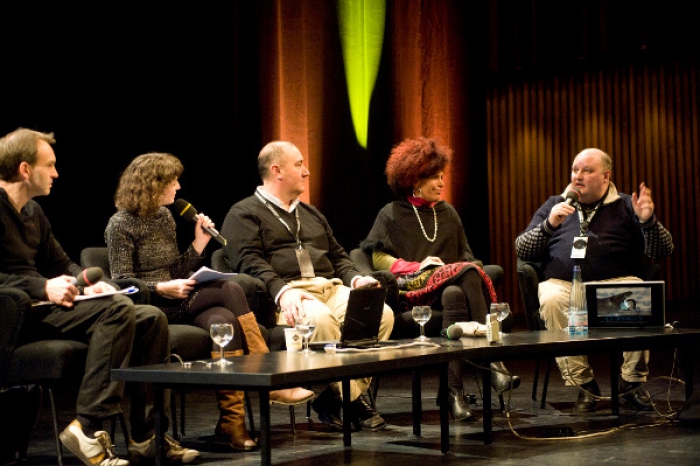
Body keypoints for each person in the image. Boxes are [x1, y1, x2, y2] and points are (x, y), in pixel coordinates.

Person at [0, 128, 199, 466]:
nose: (55, 173)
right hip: (19, 310)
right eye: (49, 165)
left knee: (151, 318)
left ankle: (145, 436)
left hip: (48, 303)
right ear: (24, 169)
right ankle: (88, 427)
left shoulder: (34, 213)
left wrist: (88, 282)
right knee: (120, 307)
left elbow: (60, 262)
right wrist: (42, 287)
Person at [105, 152, 315, 451]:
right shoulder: (119, 225)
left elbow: (175, 270)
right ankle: (272, 380)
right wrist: (161, 287)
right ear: (153, 184)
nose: (178, 187)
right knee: (230, 289)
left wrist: (198, 243)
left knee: (223, 321)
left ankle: (232, 423)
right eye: (172, 181)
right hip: (152, 308)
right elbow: (122, 284)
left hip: (178, 297)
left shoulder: (164, 217)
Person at [220, 140, 395, 432]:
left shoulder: (311, 213)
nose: (307, 171)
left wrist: (356, 278)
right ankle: (353, 402)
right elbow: (248, 262)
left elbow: (338, 256)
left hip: (329, 286)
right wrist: (283, 292)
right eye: (299, 164)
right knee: (320, 321)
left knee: (380, 313)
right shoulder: (243, 214)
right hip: (289, 293)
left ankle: (336, 398)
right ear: (276, 170)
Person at [359, 136, 520, 422]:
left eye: (442, 176)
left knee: (455, 294)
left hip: (448, 288)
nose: (441, 183)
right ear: (414, 180)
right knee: (467, 275)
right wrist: (417, 266)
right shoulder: (392, 213)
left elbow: (468, 257)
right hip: (412, 288)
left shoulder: (448, 213)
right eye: (434, 177)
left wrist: (460, 270)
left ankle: (452, 392)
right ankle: (492, 361)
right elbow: (376, 257)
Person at [515, 148, 674, 412]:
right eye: (575, 170)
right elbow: (523, 249)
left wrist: (648, 223)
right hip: (566, 286)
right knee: (552, 297)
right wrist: (549, 225)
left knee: (640, 293)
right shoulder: (556, 203)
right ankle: (583, 386)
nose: (578, 176)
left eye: (587, 170)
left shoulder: (625, 205)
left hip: (615, 287)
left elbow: (663, 251)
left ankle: (631, 383)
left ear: (605, 176)